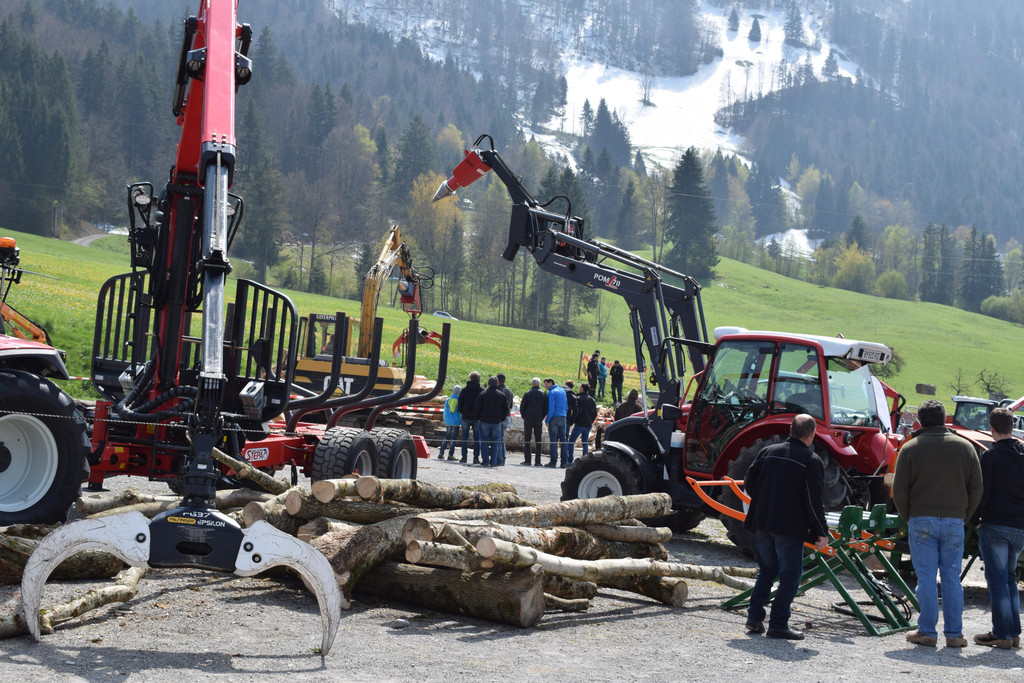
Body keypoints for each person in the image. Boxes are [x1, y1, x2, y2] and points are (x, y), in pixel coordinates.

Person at [893, 399, 982, 649]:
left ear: (920, 421)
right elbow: (977, 488)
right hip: (954, 520)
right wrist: (964, 516)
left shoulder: (910, 448)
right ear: (945, 419)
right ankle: (954, 634)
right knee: (952, 577)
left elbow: (899, 490)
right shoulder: (966, 447)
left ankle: (927, 631)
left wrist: (908, 516)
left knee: (926, 577)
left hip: (921, 518)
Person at [743, 414, 829, 641]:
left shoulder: (767, 452)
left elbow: (749, 482)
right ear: (812, 433)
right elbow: (814, 500)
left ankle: (754, 618)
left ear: (791, 430)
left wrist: (765, 502)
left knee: (766, 571)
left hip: (762, 521)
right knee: (790, 577)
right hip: (789, 527)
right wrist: (822, 531)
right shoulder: (811, 460)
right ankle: (778, 624)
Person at [970, 407, 1024, 649]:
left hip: (996, 524)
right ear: (1013, 427)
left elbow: (983, 493)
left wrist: (974, 519)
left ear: (991, 428)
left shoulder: (991, 456)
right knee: (1010, 579)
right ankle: (1013, 632)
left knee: (998, 581)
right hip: (1020, 526)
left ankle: (1002, 633)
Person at [476, 376, 510, 467]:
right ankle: (493, 461)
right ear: (497, 384)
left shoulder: (483, 394)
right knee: (495, 442)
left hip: (484, 421)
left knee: (484, 442)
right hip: (496, 422)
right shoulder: (501, 395)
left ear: (488, 384)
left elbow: (477, 407)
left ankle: (485, 461)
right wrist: (501, 419)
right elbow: (506, 409)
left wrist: (478, 418)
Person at [566, 383, 598, 466]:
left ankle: (570, 460)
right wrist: (590, 421)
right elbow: (595, 413)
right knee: (585, 442)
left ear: (582, 388)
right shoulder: (591, 399)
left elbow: (576, 411)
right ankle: (585, 461)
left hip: (580, 423)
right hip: (588, 424)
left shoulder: (578, 398)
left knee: (571, 441)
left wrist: (572, 420)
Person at [520, 378, 548, 466]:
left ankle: (527, 460)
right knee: (538, 440)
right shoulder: (543, 394)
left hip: (528, 419)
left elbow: (522, 407)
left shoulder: (527, 393)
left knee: (527, 440)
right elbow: (546, 408)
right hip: (538, 419)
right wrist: (542, 417)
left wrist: (524, 416)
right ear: (539, 384)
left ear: (532, 384)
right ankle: (538, 461)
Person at [458, 371, 484, 464]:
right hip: (477, 418)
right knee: (477, 439)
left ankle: (464, 457)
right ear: (479, 379)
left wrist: (463, 412)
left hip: (466, 416)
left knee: (464, 438)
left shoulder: (464, 390)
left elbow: (460, 403)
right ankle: (476, 458)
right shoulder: (482, 390)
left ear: (470, 378)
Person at [543, 378, 568, 468]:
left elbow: (551, 408)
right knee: (563, 441)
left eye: (546, 384)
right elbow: (566, 406)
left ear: (551, 383)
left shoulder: (552, 392)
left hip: (554, 417)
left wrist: (547, 420)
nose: (545, 386)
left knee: (553, 441)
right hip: (563, 417)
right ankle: (564, 462)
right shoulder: (562, 391)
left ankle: (553, 462)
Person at [496, 373, 514, 467]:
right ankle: (503, 457)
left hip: (499, 417)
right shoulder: (509, 391)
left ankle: (499, 458)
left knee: (498, 439)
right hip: (507, 417)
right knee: (502, 438)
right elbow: (510, 406)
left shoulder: (498, 390)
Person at [438, 385, 461, 461]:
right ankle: (450, 455)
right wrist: (461, 421)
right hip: (456, 422)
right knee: (453, 439)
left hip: (448, 422)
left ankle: (441, 453)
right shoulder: (459, 400)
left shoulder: (448, 400)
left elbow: (445, 411)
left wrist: (445, 420)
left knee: (446, 437)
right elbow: (460, 412)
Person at [562, 380, 579, 466]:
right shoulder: (573, 396)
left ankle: (553, 460)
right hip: (567, 419)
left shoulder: (560, 393)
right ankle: (565, 460)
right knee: (565, 439)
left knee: (555, 440)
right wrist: (572, 420)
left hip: (557, 417)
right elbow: (575, 410)